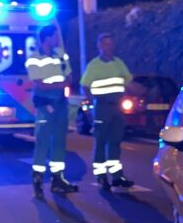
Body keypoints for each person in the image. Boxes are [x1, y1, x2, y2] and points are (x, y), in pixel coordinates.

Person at [25, 25, 79, 198]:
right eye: (55, 36)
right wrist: (59, 84)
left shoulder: (61, 55)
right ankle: (38, 181)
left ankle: (58, 180)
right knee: (42, 142)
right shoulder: (34, 59)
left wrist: (57, 84)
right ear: (46, 38)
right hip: (45, 106)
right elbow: (39, 84)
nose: (57, 39)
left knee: (59, 142)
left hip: (61, 104)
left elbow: (69, 78)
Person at [80, 34, 136, 190]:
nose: (109, 47)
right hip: (102, 107)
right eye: (106, 44)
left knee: (115, 142)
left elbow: (128, 81)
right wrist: (92, 101)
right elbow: (85, 85)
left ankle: (117, 176)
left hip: (117, 107)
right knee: (101, 141)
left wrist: (140, 89)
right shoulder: (94, 65)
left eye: (111, 44)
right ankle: (101, 176)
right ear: (99, 46)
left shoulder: (118, 63)